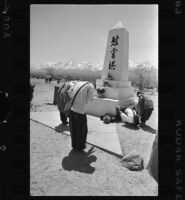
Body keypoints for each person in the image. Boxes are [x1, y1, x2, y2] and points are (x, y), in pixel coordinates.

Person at [67, 81, 94, 151]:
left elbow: (69, 93)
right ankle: (80, 147)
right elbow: (89, 99)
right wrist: (82, 101)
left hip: (72, 110)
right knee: (81, 130)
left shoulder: (77, 83)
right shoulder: (91, 86)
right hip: (81, 111)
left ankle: (74, 145)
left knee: (73, 129)